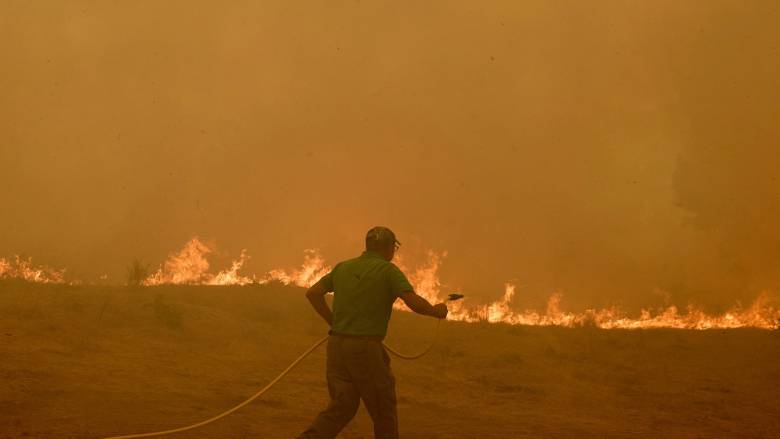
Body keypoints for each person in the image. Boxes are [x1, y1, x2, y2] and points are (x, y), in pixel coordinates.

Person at [298, 226, 449, 439]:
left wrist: (334, 323)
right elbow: (412, 301)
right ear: (388, 247)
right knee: (383, 410)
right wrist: (436, 311)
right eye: (394, 247)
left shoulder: (343, 267)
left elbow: (313, 293)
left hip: (337, 347)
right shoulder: (387, 271)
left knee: (342, 406)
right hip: (365, 350)